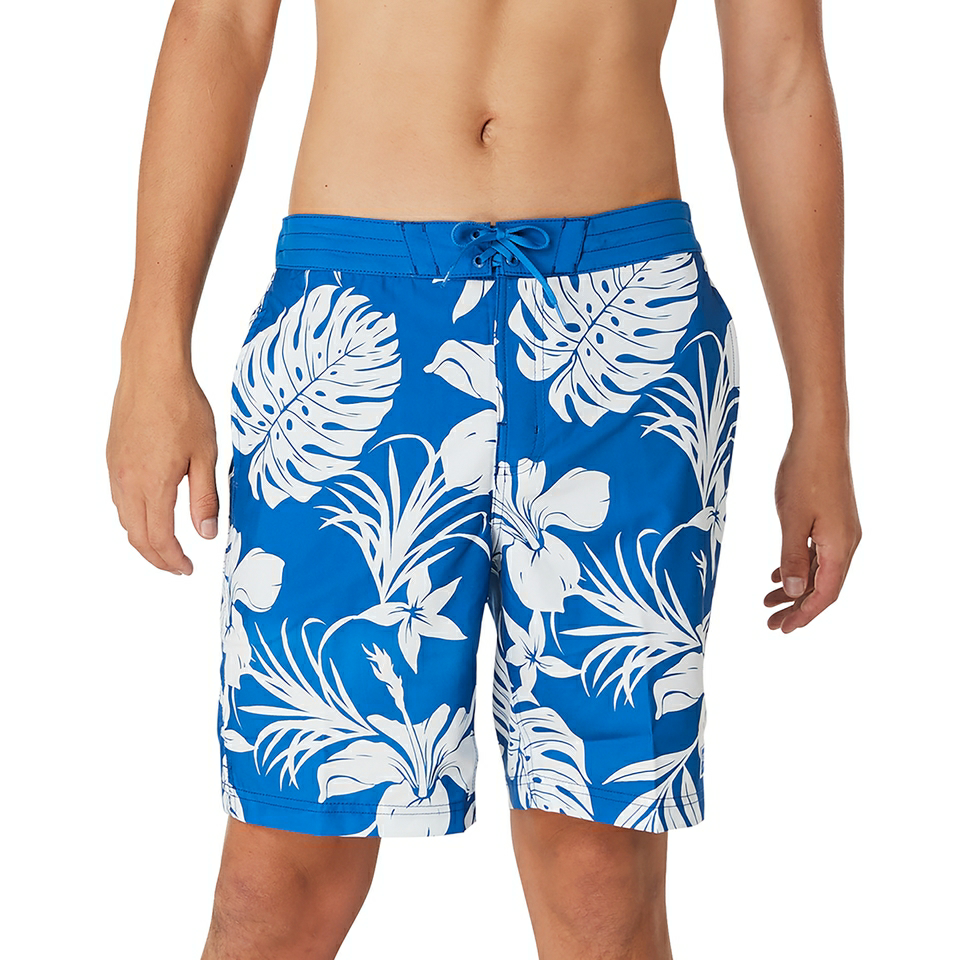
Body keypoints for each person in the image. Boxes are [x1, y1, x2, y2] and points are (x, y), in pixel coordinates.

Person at [105, 0, 862, 957]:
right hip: (353, 316)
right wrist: (150, 349)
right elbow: (220, 23)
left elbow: (777, 72)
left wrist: (824, 420)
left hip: (626, 330)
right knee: (279, 875)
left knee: (599, 875)